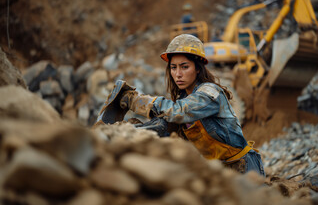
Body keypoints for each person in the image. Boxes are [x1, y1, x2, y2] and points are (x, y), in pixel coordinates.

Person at [97, 34, 265, 175]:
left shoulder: (210, 93)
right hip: (220, 172)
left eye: (184, 67)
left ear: (198, 68)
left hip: (245, 169)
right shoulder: (184, 96)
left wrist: (135, 100)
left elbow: (178, 111)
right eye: (173, 67)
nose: (178, 74)